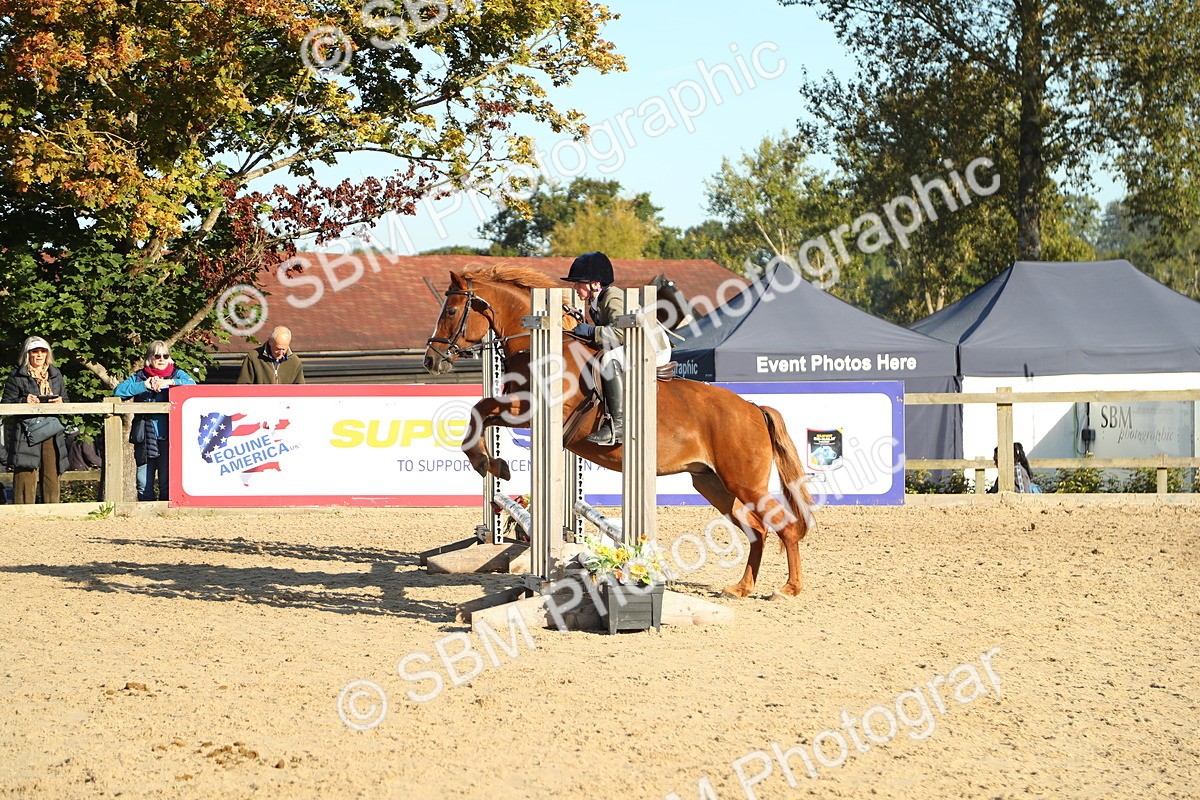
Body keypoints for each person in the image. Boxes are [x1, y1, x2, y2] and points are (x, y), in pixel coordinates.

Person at [562, 252, 671, 446]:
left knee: (610, 359)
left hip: (652, 347)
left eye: (579, 282)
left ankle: (618, 426)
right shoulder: (595, 302)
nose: (575, 287)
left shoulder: (612, 297)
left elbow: (620, 333)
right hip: (635, 343)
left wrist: (590, 331)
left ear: (595, 284)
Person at [114, 341, 197, 501]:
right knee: (143, 482)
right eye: (157, 355)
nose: (161, 359)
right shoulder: (139, 376)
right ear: (149, 358)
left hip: (170, 437)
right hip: (144, 436)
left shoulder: (177, 374)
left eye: (165, 355)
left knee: (167, 481)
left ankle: (166, 517)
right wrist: (144, 386)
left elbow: (193, 384)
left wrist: (170, 383)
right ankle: (146, 518)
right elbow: (119, 391)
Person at [2, 336, 69, 504]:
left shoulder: (56, 374)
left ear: (47, 354)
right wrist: (24, 400)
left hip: (51, 429)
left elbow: (67, 401)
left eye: (43, 351)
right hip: (26, 431)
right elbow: (6, 404)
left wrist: (60, 402)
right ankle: (22, 514)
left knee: (51, 474)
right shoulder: (16, 375)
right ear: (27, 354)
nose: (39, 355)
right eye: (35, 352)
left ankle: (52, 512)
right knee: (25, 474)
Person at [237, 325, 306, 384]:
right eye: (278, 349)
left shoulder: (294, 362)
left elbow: (300, 390)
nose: (280, 353)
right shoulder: (254, 357)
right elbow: (243, 386)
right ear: (270, 342)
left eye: (284, 349)